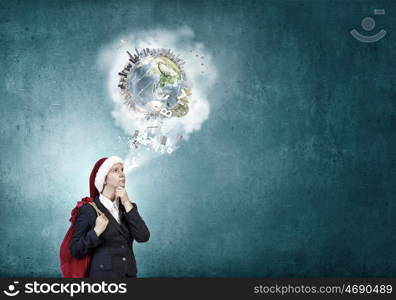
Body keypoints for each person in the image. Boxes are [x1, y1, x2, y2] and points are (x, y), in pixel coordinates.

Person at [70, 156, 150, 278]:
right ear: (104, 179)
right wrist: (96, 231)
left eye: (122, 169)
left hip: (129, 275)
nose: (122, 174)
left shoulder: (128, 207)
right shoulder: (88, 209)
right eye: (115, 170)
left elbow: (143, 237)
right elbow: (76, 250)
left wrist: (126, 202)